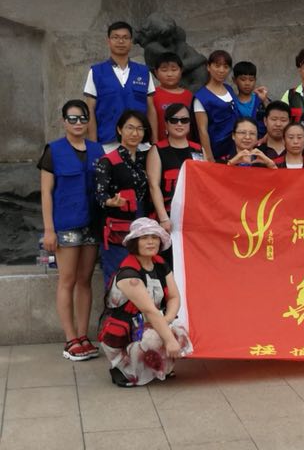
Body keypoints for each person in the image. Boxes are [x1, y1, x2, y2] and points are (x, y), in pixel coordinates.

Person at [38, 100, 105, 361]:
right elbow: (46, 193)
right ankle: (70, 339)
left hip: (92, 223)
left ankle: (83, 336)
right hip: (65, 224)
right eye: (72, 118)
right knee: (67, 280)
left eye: (82, 118)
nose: (78, 123)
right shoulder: (53, 150)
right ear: (64, 121)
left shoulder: (97, 149)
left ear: (88, 121)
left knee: (85, 280)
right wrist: (49, 230)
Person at [98, 218, 193, 387]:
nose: (151, 242)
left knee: (179, 331)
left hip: (150, 321)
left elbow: (174, 297)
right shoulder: (129, 273)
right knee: (155, 338)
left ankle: (160, 368)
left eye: (154, 237)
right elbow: (149, 310)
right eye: (144, 238)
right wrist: (168, 339)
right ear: (135, 242)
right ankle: (125, 370)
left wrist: (167, 320)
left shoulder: (160, 264)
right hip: (127, 330)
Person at [95, 110, 151, 285]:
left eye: (140, 129)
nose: (135, 133)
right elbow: (100, 194)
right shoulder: (108, 160)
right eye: (130, 128)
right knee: (117, 279)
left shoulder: (146, 159)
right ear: (120, 130)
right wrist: (111, 201)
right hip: (117, 229)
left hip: (142, 226)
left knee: (141, 278)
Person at [84, 21, 158, 151]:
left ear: (131, 41)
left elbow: (151, 109)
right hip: (108, 144)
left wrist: (154, 143)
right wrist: (93, 146)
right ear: (108, 41)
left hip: (140, 144)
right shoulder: (96, 72)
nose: (121, 41)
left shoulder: (143, 72)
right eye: (116, 37)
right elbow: (90, 109)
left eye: (125, 37)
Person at [146, 103, 203, 248]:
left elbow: (206, 182)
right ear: (166, 124)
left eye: (184, 120)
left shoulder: (198, 149)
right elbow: (153, 186)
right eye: (174, 120)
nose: (179, 124)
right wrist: (163, 218)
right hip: (168, 216)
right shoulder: (157, 149)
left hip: (194, 216)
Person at [194, 50, 237, 162]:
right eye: (217, 66)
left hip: (235, 147)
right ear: (208, 67)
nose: (221, 70)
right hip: (217, 150)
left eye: (226, 67)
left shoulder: (229, 89)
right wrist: (209, 158)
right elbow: (202, 130)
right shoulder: (201, 97)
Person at [151, 52, 194, 142]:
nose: (169, 74)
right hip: (161, 145)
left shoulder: (189, 95)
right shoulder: (152, 95)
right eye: (164, 70)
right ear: (156, 72)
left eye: (174, 70)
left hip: (187, 144)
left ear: (181, 71)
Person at [232, 61, 269, 139]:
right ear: (234, 80)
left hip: (260, 142)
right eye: (243, 79)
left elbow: (273, 115)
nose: (247, 83)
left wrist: (264, 100)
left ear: (255, 80)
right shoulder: (231, 102)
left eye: (251, 80)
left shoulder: (260, 99)